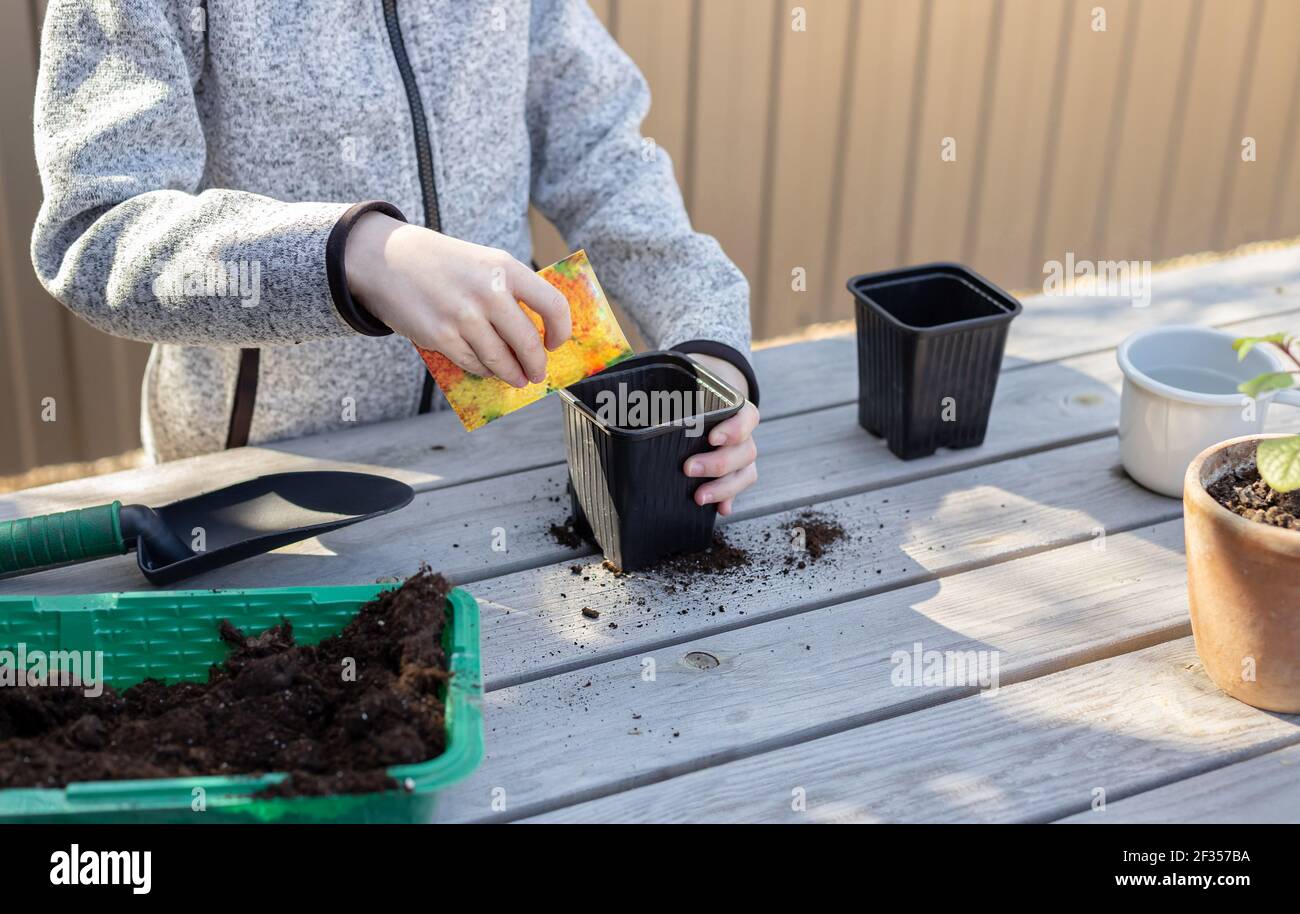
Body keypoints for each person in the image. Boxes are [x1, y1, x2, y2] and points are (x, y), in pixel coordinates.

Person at [31, 0, 760, 515]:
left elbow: (601, 154)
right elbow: (98, 232)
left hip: (506, 454)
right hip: (268, 488)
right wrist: (353, 255)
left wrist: (704, 342)